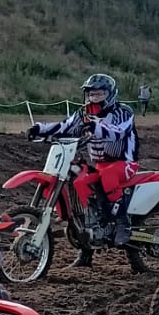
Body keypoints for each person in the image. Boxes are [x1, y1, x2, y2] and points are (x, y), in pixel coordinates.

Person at [29, 73, 138, 252]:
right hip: (100, 164)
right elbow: (65, 126)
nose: (94, 97)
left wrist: (97, 128)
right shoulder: (84, 112)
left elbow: (118, 131)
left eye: (99, 93)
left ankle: (122, 222)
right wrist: (40, 129)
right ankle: (86, 228)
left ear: (110, 94)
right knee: (78, 180)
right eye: (91, 93)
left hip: (124, 162)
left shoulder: (123, 112)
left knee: (108, 176)